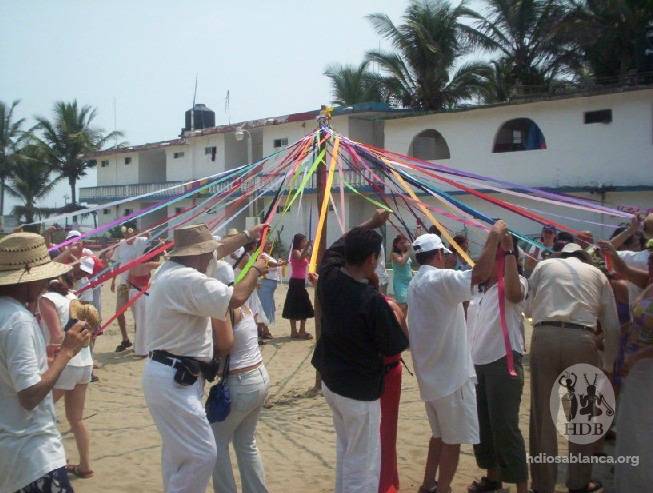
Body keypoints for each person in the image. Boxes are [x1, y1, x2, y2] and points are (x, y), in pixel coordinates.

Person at [142, 223, 268, 493]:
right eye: (207, 252)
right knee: (202, 453)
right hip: (174, 377)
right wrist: (256, 269)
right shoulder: (186, 279)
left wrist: (248, 236)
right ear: (197, 255)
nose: (213, 257)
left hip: (171, 373)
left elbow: (217, 251)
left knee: (178, 454)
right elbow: (236, 297)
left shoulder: (170, 270)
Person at [312, 210, 409, 493]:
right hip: (358, 390)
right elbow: (395, 345)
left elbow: (336, 247)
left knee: (347, 452)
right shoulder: (372, 301)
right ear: (370, 260)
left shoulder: (328, 277)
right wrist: (399, 316)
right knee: (362, 465)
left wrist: (370, 223)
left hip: (333, 381)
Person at [408, 222, 506, 493]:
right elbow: (480, 274)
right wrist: (494, 236)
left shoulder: (417, 283)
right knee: (452, 441)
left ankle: (429, 484)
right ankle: (443, 488)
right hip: (450, 378)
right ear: (438, 255)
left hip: (431, 379)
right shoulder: (440, 279)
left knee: (439, 436)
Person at [0, 232, 90, 493]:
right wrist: (67, 352)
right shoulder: (18, 320)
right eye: (41, 276)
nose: (44, 282)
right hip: (31, 453)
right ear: (25, 280)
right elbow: (28, 396)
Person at [527, 243, 620, 493]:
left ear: (562, 255)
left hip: (544, 336)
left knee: (542, 417)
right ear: (583, 259)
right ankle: (579, 482)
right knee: (582, 417)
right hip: (582, 339)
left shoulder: (544, 266)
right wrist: (609, 364)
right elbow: (612, 325)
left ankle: (543, 484)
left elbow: (527, 308)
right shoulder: (597, 275)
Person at [467, 234, 529, 493]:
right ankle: (493, 480)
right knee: (483, 426)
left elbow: (516, 294)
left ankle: (521, 487)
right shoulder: (477, 291)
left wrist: (510, 252)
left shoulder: (513, 284)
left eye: (496, 256)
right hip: (477, 366)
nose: (489, 260)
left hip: (503, 363)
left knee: (505, 427)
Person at [599, 239, 653, 491]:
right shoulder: (648, 284)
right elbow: (625, 271)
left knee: (645, 430)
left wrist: (636, 357)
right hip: (635, 369)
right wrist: (610, 249)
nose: (650, 263)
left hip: (646, 367)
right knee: (632, 428)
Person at [39, 274, 96, 480]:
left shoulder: (46, 299)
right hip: (84, 361)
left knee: (41, 412)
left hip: (66, 362)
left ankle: (55, 463)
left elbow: (56, 335)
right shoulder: (72, 296)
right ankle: (85, 466)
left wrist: (48, 357)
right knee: (76, 419)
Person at [211, 303, 270, 493]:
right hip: (258, 375)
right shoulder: (243, 304)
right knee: (246, 442)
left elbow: (224, 346)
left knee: (215, 442)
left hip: (241, 382)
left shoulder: (224, 308)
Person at [110, 226, 148, 352]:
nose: (127, 235)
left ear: (136, 232)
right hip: (123, 283)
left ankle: (139, 342)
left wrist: (148, 234)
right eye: (125, 233)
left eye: (130, 232)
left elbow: (154, 243)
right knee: (119, 312)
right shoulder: (121, 244)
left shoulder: (142, 241)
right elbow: (116, 263)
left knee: (138, 314)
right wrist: (113, 280)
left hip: (137, 283)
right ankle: (125, 339)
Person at [128, 245, 163, 357]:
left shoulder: (135, 263)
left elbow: (128, 279)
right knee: (143, 322)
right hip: (140, 294)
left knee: (138, 322)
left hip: (132, 293)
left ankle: (137, 347)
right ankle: (142, 350)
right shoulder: (148, 265)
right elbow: (165, 265)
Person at [282, 233, 314, 339]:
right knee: (296, 304)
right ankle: (296, 331)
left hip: (300, 281)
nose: (304, 243)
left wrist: (312, 247)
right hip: (296, 282)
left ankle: (300, 330)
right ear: (298, 242)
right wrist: (307, 247)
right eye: (303, 241)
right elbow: (300, 259)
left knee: (301, 305)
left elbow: (310, 258)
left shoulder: (301, 251)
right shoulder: (295, 252)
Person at [258, 244, 287, 336]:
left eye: (270, 244)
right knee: (265, 307)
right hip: (266, 283)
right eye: (267, 244)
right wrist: (280, 263)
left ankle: (262, 330)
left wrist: (279, 263)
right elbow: (269, 263)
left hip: (270, 285)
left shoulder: (269, 255)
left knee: (267, 307)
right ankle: (263, 330)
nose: (269, 246)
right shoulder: (262, 255)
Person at [390, 234, 412, 311]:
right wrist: (409, 250)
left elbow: (408, 267)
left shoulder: (405, 254)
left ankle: (401, 322)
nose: (403, 245)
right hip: (400, 283)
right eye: (401, 243)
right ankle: (399, 322)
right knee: (402, 307)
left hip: (408, 283)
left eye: (404, 243)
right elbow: (401, 262)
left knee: (407, 306)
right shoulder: (394, 254)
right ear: (396, 244)